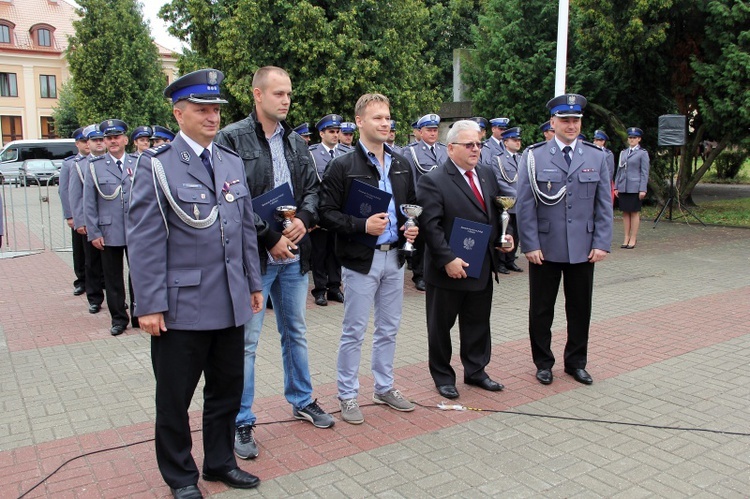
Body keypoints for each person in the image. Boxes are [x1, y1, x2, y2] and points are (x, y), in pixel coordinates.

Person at [127, 68, 263, 499]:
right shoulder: (157, 166)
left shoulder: (229, 161)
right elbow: (145, 240)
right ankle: (181, 476)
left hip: (229, 300)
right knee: (174, 399)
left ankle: (220, 461)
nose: (212, 116)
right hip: (181, 305)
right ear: (178, 113)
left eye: (216, 109)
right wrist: (147, 304)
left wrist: (253, 283)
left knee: (226, 392)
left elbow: (243, 230)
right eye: (202, 109)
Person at [214, 66, 335, 463]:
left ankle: (302, 399)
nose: (285, 100)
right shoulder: (231, 138)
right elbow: (230, 198)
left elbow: (313, 190)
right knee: (247, 342)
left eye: (288, 94)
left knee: (295, 331)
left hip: (295, 255)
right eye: (278, 93)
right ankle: (242, 419)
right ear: (257, 95)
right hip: (254, 258)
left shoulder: (297, 143)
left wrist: (304, 218)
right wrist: (271, 237)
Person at [319, 93, 418, 424]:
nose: (386, 123)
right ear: (359, 122)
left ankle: (384, 387)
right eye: (378, 118)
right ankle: (347, 395)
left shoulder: (401, 163)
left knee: (389, 328)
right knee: (354, 330)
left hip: (395, 259)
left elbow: (411, 206)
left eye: (388, 117)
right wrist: (362, 225)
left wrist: (410, 227)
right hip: (360, 260)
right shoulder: (343, 166)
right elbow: (325, 213)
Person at [516, 93, 613, 386]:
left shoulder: (596, 156)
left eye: (576, 121)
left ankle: (576, 362)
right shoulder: (534, 156)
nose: (571, 126)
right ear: (553, 122)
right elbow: (525, 204)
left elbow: (603, 205)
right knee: (542, 310)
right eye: (565, 120)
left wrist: (601, 242)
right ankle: (543, 362)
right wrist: (530, 244)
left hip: (583, 248)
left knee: (580, 308)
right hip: (545, 248)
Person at [416, 120, 514, 400]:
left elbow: (498, 213)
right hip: (447, 270)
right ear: (451, 148)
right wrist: (447, 258)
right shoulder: (433, 179)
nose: (476, 150)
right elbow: (430, 226)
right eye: (469, 145)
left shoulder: (486, 173)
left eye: (479, 144)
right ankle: (443, 377)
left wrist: (507, 238)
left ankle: (476, 371)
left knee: (477, 322)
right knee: (440, 327)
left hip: (481, 264)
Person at [84, 119, 137, 336]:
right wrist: (94, 232)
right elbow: (89, 203)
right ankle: (118, 318)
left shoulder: (138, 162)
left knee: (139, 275)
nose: (112, 141)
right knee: (113, 277)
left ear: (126, 139)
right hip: (109, 231)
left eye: (117, 137)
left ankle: (139, 314)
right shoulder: (95, 167)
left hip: (136, 230)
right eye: (108, 138)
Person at [403, 113, 448, 291]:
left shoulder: (444, 149)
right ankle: (419, 274)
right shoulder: (411, 151)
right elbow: (410, 178)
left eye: (435, 130)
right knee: (421, 240)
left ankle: (438, 267)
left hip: (441, 201)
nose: (432, 133)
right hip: (421, 202)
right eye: (429, 130)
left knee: (439, 236)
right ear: (420, 131)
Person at [307, 113, 346, 306]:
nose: (335, 135)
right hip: (321, 212)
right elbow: (309, 185)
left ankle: (334, 287)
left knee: (335, 252)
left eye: (337, 131)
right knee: (320, 252)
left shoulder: (346, 153)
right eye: (331, 131)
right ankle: (320, 290)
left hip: (338, 212)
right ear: (321, 133)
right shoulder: (312, 154)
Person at [70, 124, 106, 314]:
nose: (99, 143)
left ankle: (116, 299)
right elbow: (76, 196)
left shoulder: (114, 162)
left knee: (109, 265)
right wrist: (80, 221)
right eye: (95, 140)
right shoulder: (79, 165)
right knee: (91, 262)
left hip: (110, 223)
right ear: (88, 143)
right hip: (90, 221)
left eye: (102, 140)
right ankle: (94, 298)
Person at [59, 127, 89, 296]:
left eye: (88, 141)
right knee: (79, 250)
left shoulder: (99, 161)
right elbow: (64, 191)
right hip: (78, 215)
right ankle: (81, 280)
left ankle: (100, 280)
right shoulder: (70, 163)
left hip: (94, 216)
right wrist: (69, 215)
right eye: (83, 141)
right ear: (77, 144)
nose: (86, 144)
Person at [493, 126, 524, 273]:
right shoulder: (498, 159)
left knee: (516, 233)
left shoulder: (522, 158)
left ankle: (511, 260)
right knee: (504, 231)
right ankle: (501, 262)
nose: (518, 143)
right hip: (506, 202)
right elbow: (499, 181)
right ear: (505, 142)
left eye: (519, 140)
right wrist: (516, 193)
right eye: (514, 140)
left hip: (520, 203)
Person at [615, 127, 650, 249]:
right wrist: (616, 186)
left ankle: (633, 237)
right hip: (623, 186)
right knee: (625, 212)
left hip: (635, 187)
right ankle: (626, 237)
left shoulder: (642, 153)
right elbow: (619, 170)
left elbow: (644, 172)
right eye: (630, 137)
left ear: (639, 139)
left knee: (634, 212)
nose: (632, 140)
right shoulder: (624, 152)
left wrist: (643, 188)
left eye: (634, 138)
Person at [593, 129, 616, 202]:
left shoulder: (608, 154)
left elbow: (610, 171)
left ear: (603, 141)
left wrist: (606, 185)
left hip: (602, 182)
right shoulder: (590, 152)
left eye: (597, 140)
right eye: (594, 140)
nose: (595, 142)